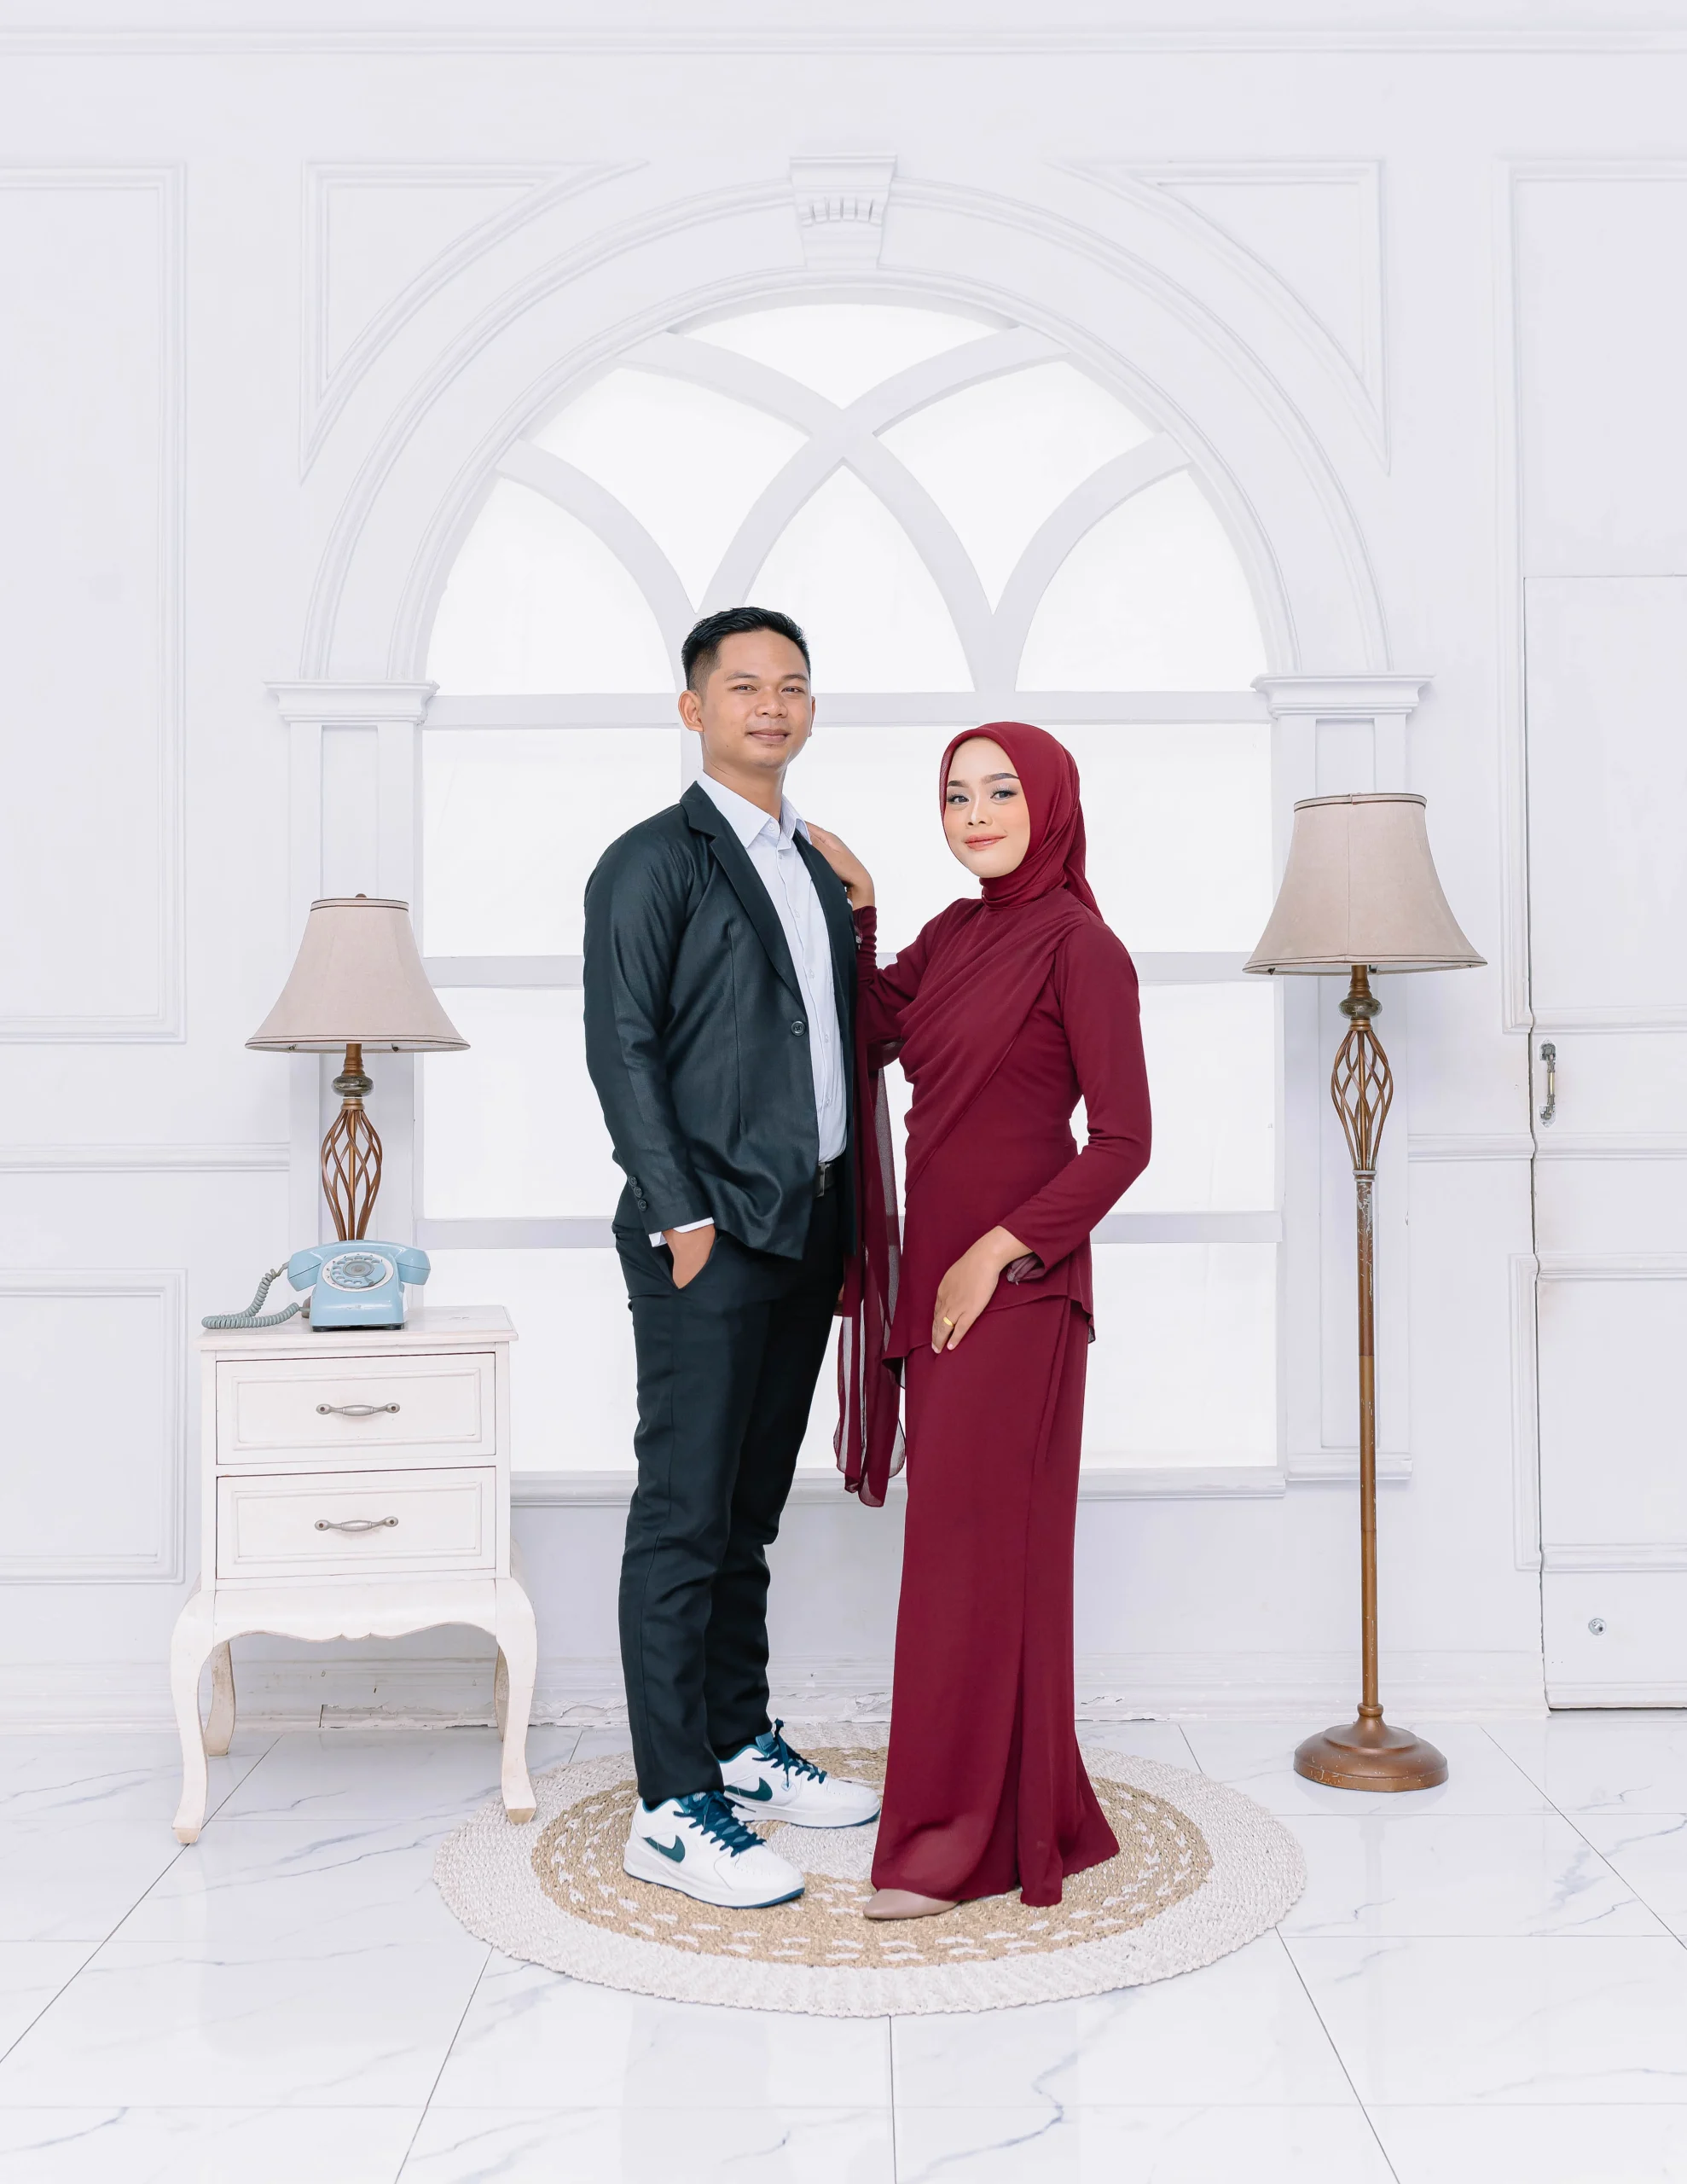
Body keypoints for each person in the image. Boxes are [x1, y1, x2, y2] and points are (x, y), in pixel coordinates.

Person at [809, 722, 1151, 1920]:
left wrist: (994, 1255)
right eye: (956, 796)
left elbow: (1123, 1141)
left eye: (1000, 791)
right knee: (969, 1559)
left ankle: (948, 1846)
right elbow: (869, 1028)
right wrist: (859, 912)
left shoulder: (1083, 949)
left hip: (1017, 1294)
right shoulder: (954, 934)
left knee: (968, 1562)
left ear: (1049, 803)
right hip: (941, 1287)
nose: (976, 814)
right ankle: (1022, 1818)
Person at [583, 606, 881, 1913]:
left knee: (749, 1510)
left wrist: (862, 910)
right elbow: (622, 1046)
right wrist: (683, 1214)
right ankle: (669, 1805)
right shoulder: (651, 861)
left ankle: (737, 1741)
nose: (771, 704)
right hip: (705, 1236)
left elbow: (830, 1038)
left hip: (805, 1225)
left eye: (792, 685)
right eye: (744, 684)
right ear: (692, 708)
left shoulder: (813, 864)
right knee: (684, 1514)